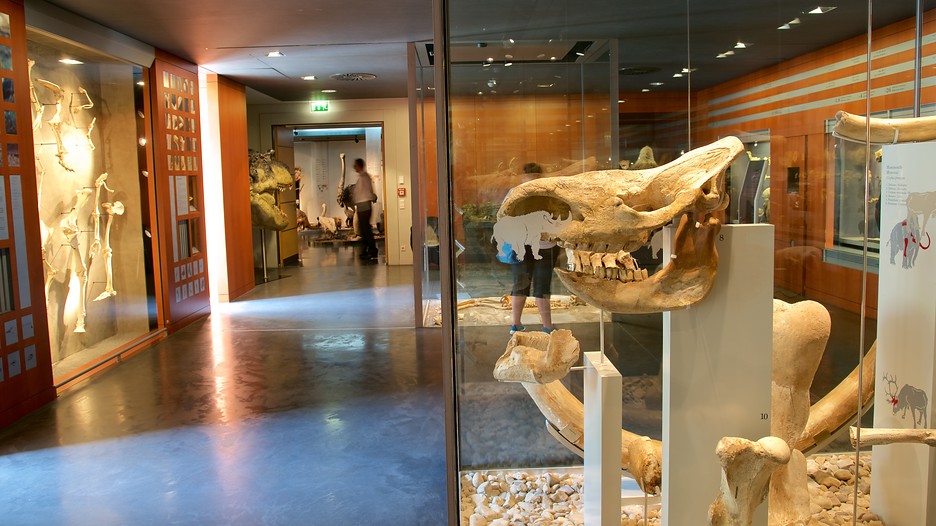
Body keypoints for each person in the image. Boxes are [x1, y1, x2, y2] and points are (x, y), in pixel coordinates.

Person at [509, 162, 557, 334]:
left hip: (521, 244)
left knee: (520, 284)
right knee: (542, 286)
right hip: (544, 246)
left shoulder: (514, 193)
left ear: (523, 176)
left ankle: (516, 325)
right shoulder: (548, 195)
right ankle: (547, 326)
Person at [352, 158, 378, 260]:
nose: (354, 167)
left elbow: (364, 193)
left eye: (356, 165)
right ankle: (366, 250)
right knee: (364, 229)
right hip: (362, 206)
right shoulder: (363, 177)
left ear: (359, 166)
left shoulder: (364, 177)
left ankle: (372, 250)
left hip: (364, 206)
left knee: (366, 229)